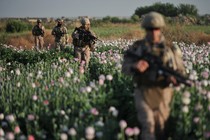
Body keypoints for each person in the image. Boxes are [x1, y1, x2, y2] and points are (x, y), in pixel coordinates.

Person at [122, 12, 186, 140]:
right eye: (150, 29)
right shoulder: (137, 48)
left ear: (161, 29)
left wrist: (174, 79)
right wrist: (135, 66)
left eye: (156, 29)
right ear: (146, 30)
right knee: (148, 126)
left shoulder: (171, 49)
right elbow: (125, 69)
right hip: (143, 91)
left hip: (163, 92)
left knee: (160, 128)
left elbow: (181, 72)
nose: (153, 33)